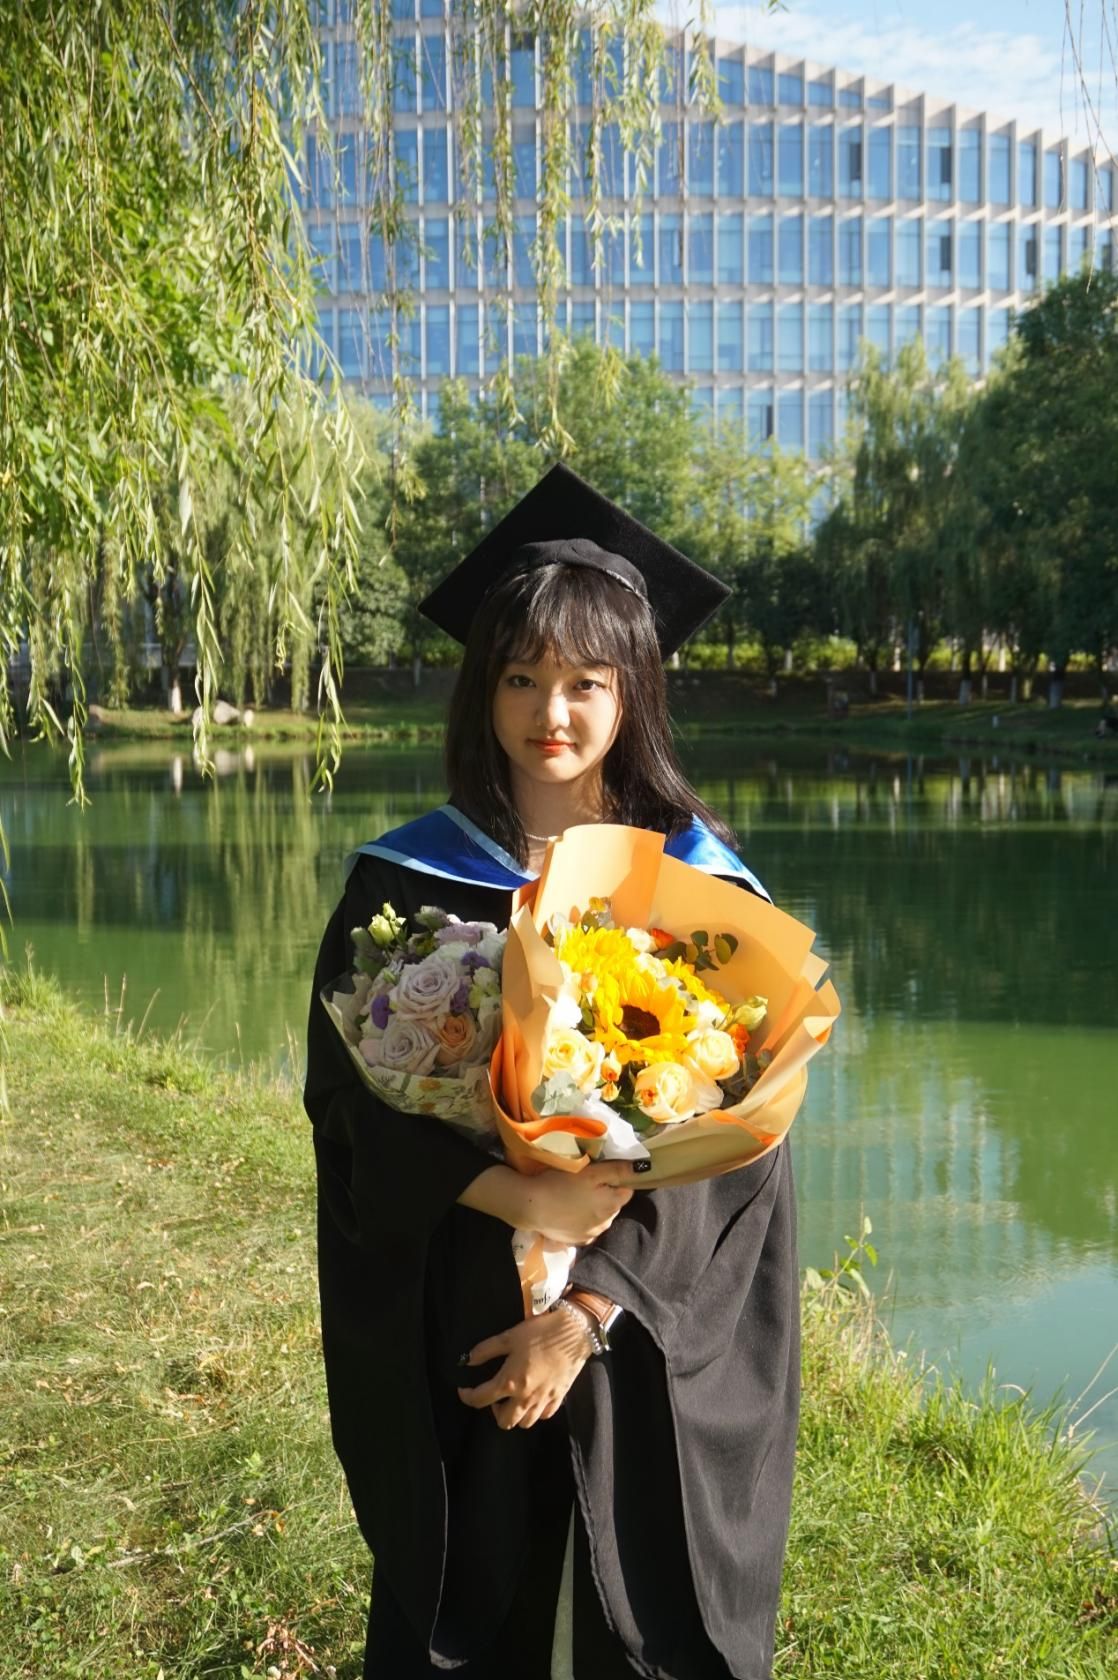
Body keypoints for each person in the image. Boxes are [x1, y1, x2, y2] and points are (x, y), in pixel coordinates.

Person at [303, 464, 800, 1680]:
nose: (550, 713)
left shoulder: (697, 887)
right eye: (519, 677)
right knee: (475, 1607)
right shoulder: (406, 882)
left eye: (586, 681)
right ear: (481, 687)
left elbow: (742, 1151)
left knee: (641, 1606)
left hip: (640, 1326)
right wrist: (510, 1193)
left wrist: (582, 1314)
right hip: (462, 1303)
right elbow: (345, 1100)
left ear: (633, 690)